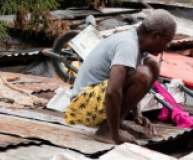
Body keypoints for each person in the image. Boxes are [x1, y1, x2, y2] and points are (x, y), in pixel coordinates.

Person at [65, 10, 176, 144]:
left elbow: (127, 82)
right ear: (156, 36)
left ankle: (116, 124)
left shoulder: (138, 46)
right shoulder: (127, 44)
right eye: (167, 41)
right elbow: (113, 91)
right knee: (143, 75)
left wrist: (137, 115)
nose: (167, 46)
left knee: (153, 66)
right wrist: (114, 134)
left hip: (96, 101)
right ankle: (107, 130)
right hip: (82, 105)